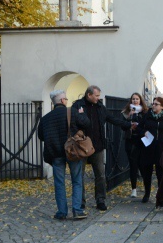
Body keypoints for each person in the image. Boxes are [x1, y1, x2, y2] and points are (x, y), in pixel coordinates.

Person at [71, 85, 132, 211]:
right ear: (89, 95)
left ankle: (100, 199)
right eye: (97, 96)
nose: (98, 98)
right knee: (79, 175)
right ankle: (80, 202)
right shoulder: (77, 106)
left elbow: (112, 119)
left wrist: (128, 125)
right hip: (81, 146)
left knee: (100, 174)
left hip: (97, 147)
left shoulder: (100, 107)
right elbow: (71, 123)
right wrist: (77, 133)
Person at [38, 90, 87, 220]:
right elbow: (86, 123)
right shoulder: (71, 112)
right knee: (76, 181)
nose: (66, 100)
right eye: (65, 99)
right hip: (72, 152)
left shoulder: (45, 118)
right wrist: (82, 114)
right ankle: (77, 210)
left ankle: (62, 212)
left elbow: (41, 136)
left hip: (55, 154)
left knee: (59, 182)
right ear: (62, 101)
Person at [141, 96, 163, 203]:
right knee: (147, 172)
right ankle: (147, 193)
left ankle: (161, 196)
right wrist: (144, 132)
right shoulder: (147, 115)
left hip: (161, 148)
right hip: (148, 147)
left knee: (160, 173)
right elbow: (140, 127)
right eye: (153, 103)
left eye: (156, 104)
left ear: (162, 106)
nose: (153, 105)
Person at [121, 93, 148, 198]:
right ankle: (134, 189)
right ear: (130, 101)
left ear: (140, 100)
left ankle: (147, 189)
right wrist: (129, 118)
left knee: (143, 165)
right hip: (130, 140)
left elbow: (147, 125)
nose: (135, 101)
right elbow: (123, 126)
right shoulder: (126, 113)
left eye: (137, 99)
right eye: (133, 99)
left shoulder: (145, 112)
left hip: (142, 141)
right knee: (133, 165)